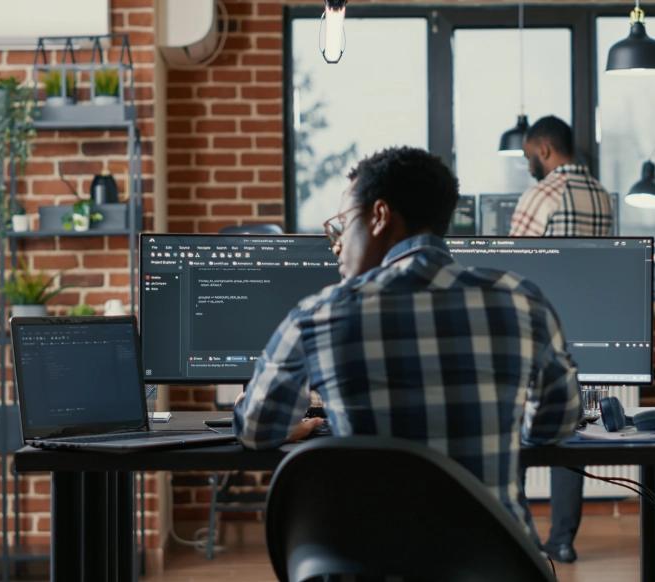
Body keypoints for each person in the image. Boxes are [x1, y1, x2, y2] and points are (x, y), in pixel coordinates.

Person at [234, 145, 581, 540]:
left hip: (369, 562)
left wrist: (290, 424)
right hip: (497, 561)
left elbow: (257, 430)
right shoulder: (523, 301)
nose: (336, 244)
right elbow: (557, 423)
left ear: (380, 216)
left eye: (343, 225)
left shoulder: (319, 315)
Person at [510, 115, 613, 563]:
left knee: (519, 425)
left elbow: (513, 265)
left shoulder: (541, 194)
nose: (530, 163)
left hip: (541, 330)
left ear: (545, 150)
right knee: (573, 427)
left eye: (531, 155)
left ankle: (521, 537)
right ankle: (564, 539)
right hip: (589, 325)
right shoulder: (602, 196)